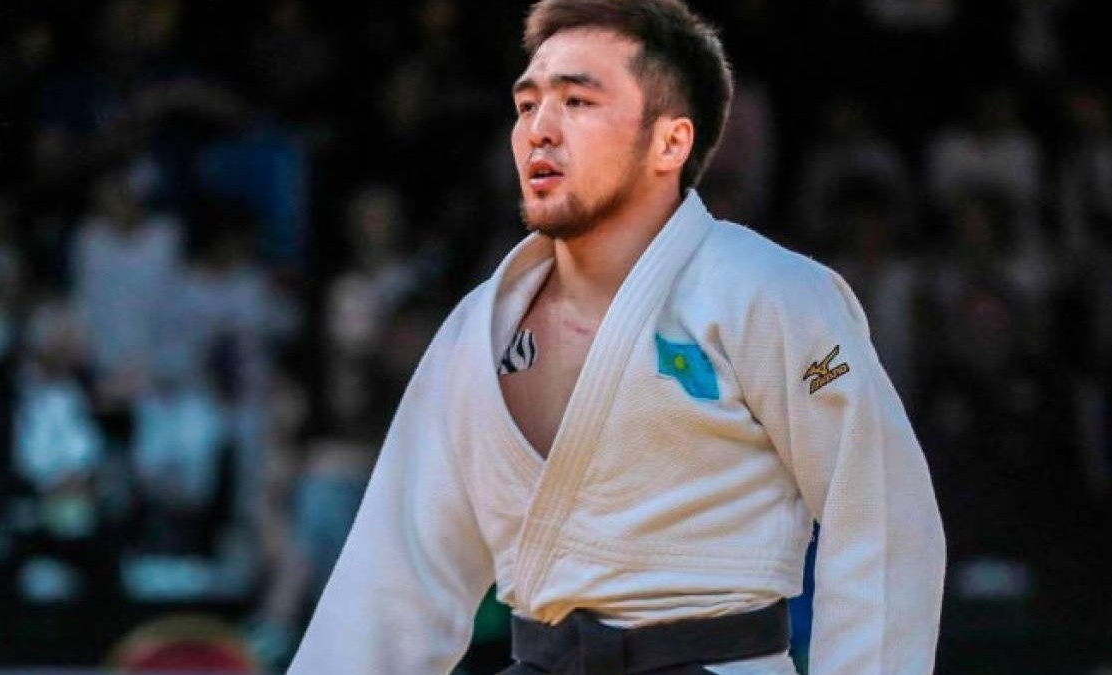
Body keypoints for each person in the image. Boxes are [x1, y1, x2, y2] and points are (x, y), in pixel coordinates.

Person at [288, 1, 945, 673]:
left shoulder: (771, 295)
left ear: (670, 143)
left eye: (577, 101)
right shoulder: (475, 332)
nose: (540, 130)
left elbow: (883, 516)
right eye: (527, 106)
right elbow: (390, 587)